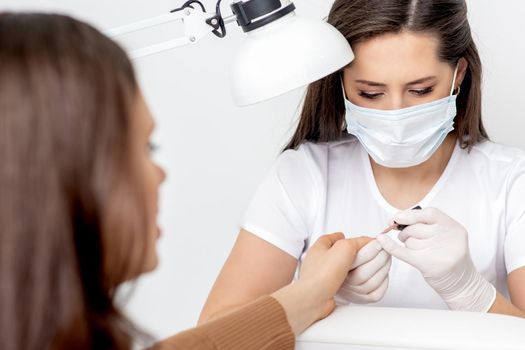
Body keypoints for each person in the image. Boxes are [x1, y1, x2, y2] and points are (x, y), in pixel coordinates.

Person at [0, 12, 373, 350]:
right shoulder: (303, 173)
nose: (159, 174)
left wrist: (311, 291)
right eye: (146, 147)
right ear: (52, 176)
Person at [199, 0, 525, 325]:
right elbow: (214, 333)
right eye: (370, 93)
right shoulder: (304, 175)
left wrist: (470, 293)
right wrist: (314, 294)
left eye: (421, 90)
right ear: (340, 80)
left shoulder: (512, 181)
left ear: (459, 75)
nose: (395, 113)